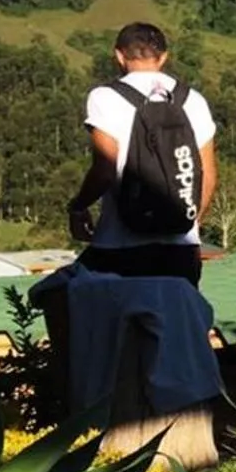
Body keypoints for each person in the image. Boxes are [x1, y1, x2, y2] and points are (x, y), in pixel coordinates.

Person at [67, 22, 217, 286]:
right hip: (181, 250)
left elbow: (105, 167)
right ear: (163, 57)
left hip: (120, 244)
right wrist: (191, 226)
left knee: (106, 319)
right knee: (177, 324)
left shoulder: (105, 97)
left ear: (119, 56)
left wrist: (78, 207)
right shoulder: (193, 99)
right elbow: (208, 175)